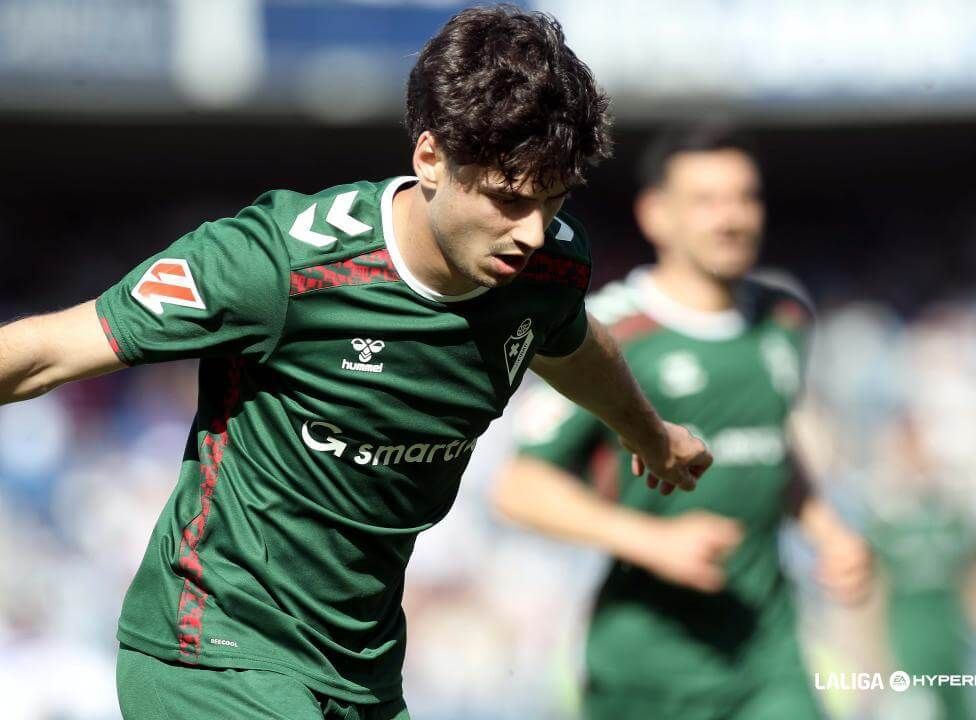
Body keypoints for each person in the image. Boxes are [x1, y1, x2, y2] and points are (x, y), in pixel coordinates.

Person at [0, 8, 713, 720]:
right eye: (506, 198)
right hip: (213, 651)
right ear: (430, 158)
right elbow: (47, 352)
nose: (530, 232)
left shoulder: (549, 270)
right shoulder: (276, 264)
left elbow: (573, 343)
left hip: (361, 672)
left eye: (552, 201)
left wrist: (650, 434)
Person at [495, 125, 873, 720]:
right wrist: (651, 541)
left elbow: (770, 444)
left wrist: (826, 529)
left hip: (768, 658)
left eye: (745, 197)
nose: (731, 218)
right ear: (657, 215)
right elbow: (519, 488)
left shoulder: (785, 317)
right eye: (706, 200)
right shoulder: (606, 334)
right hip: (647, 668)